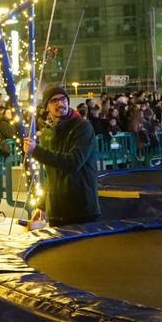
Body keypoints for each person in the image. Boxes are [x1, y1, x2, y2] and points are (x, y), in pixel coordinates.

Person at [22, 85, 99, 226]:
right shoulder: (47, 133)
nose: (60, 103)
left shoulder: (82, 127)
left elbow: (73, 163)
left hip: (81, 210)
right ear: (46, 107)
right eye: (54, 101)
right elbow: (51, 175)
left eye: (63, 99)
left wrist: (37, 151)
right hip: (56, 212)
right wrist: (43, 206)